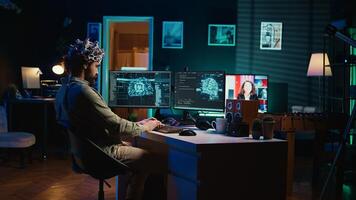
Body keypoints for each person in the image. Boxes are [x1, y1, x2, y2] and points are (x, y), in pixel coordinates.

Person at [55, 39, 162, 200]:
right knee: (153, 159)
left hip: (84, 155)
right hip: (101, 154)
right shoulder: (84, 92)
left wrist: (138, 124)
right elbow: (117, 126)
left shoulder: (64, 90)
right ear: (86, 64)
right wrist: (149, 126)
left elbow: (101, 123)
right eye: (96, 66)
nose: (97, 72)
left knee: (137, 154)